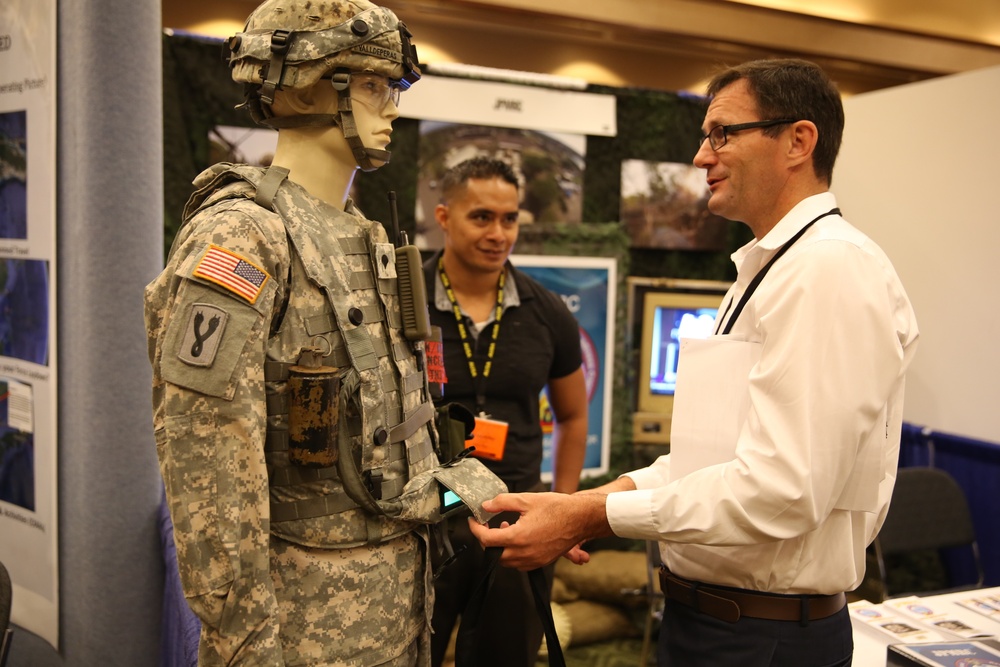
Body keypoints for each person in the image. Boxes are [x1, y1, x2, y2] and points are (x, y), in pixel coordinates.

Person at [469, 58, 920, 667]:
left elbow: (782, 490)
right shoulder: (769, 271)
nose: (701, 157)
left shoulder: (829, 269)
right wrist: (581, 507)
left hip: (762, 640)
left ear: (798, 140)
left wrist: (591, 513)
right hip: (712, 625)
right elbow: (712, 462)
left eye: (722, 134)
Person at [145, 2, 503, 665]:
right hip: (302, 626)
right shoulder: (243, 237)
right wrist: (243, 642)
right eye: (374, 85)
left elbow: (391, 438)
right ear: (309, 85)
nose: (392, 106)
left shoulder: (367, 236)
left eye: (393, 87)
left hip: (398, 604)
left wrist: (476, 491)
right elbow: (210, 465)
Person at [422, 157, 589, 667]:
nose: (499, 233)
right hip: (423, 516)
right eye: (482, 217)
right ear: (444, 216)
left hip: (516, 516)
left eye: (510, 218)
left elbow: (573, 416)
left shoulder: (547, 312)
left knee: (506, 657)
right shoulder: (404, 306)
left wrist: (562, 508)